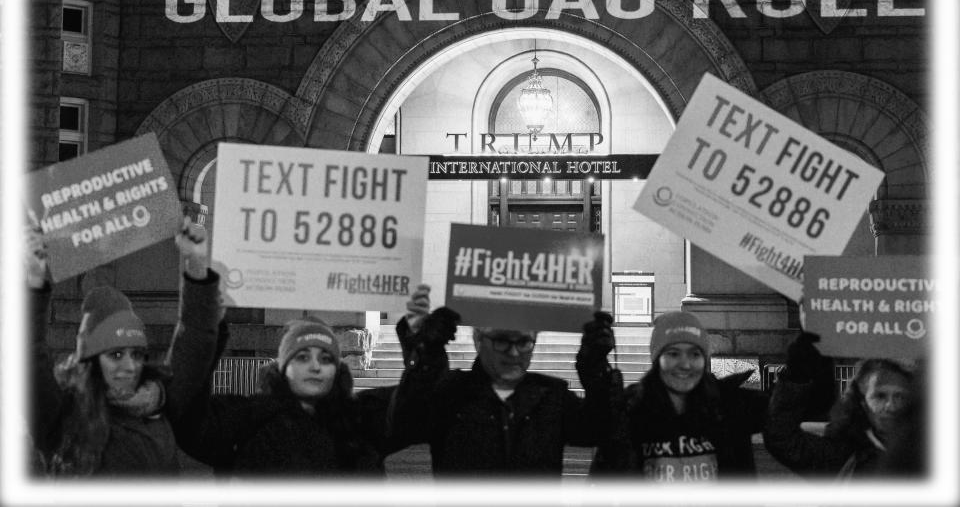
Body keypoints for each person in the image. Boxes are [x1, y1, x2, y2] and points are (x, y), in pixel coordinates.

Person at [27, 217, 221, 476]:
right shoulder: (60, 415)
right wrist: (34, 280)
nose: (130, 366)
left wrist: (196, 262)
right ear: (92, 360)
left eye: (137, 354)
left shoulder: (160, 401)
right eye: (115, 355)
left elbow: (195, 340)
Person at [388, 284, 621, 476]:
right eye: (502, 341)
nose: (514, 353)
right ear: (478, 340)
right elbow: (406, 424)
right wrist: (426, 350)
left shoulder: (552, 395)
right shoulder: (450, 393)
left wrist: (595, 366)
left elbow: (598, 431)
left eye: (524, 342)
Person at [172, 310, 400, 476]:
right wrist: (204, 325)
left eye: (325, 358)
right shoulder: (245, 420)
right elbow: (188, 417)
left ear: (337, 369)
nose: (315, 366)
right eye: (302, 357)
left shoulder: (361, 420)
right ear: (282, 367)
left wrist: (423, 347)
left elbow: (419, 405)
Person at [591, 311, 768, 481]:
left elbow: (784, 413)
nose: (685, 364)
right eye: (673, 354)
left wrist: (797, 360)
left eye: (695, 354)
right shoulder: (629, 410)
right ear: (657, 359)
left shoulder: (732, 406)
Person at [763, 332, 924, 479]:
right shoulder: (842, 456)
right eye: (880, 396)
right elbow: (784, 440)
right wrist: (797, 377)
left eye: (900, 396)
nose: (891, 405)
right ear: (863, 403)